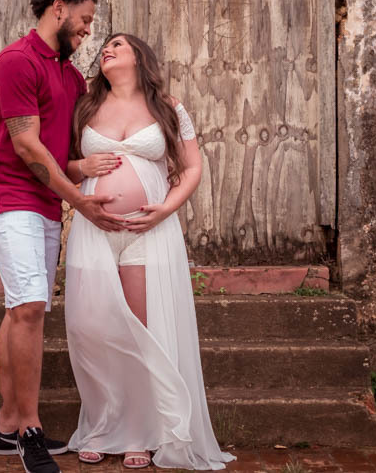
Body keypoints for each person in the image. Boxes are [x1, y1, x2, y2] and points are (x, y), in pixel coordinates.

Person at [0, 0, 126, 473]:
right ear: (58, 8)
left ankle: (6, 427)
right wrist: (80, 202)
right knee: (32, 306)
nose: (88, 31)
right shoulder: (16, 62)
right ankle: (29, 432)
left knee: (21, 307)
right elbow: (27, 146)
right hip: (7, 194)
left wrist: (90, 168)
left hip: (44, 202)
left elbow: (60, 155)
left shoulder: (70, 76)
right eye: (84, 19)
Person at [64, 34, 236, 470]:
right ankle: (102, 425)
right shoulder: (85, 107)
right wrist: (82, 167)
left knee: (142, 329)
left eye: (118, 44)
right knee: (92, 328)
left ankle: (140, 433)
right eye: (105, 46)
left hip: (148, 232)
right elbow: (60, 164)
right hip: (94, 231)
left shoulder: (168, 108)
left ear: (139, 57)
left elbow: (192, 167)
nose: (107, 49)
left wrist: (166, 209)